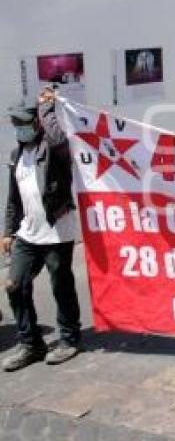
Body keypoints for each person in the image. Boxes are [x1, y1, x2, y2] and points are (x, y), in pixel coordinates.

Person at [2, 87, 83, 371]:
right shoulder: (16, 155)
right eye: (15, 124)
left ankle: (70, 339)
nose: (18, 129)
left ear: (35, 123)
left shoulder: (54, 148)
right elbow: (13, 198)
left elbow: (58, 137)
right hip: (28, 233)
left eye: (23, 123)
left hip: (58, 230)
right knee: (14, 286)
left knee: (60, 285)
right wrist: (8, 232)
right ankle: (31, 344)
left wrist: (45, 108)